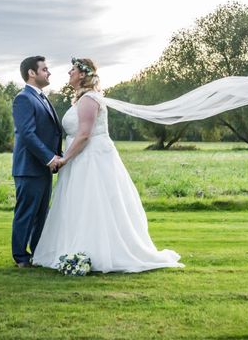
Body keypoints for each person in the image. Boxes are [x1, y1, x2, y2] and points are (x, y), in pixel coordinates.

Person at [32, 58, 183, 273]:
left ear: (82, 75)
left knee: (94, 202)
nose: (69, 73)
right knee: (79, 204)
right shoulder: (82, 99)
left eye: (72, 70)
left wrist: (64, 159)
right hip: (82, 158)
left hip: (91, 158)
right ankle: (75, 248)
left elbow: (84, 134)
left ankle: (98, 252)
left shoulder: (89, 99)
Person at [11, 56, 63, 268]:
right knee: (26, 214)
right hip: (29, 168)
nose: (48, 72)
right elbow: (27, 134)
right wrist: (50, 157)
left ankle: (37, 254)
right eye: (45, 69)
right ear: (32, 73)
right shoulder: (23, 98)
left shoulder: (41, 97)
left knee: (41, 215)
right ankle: (21, 257)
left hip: (43, 168)